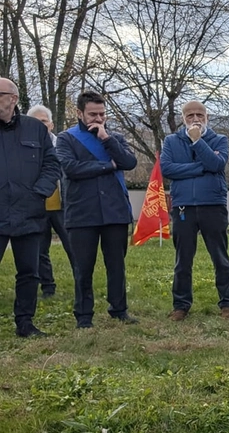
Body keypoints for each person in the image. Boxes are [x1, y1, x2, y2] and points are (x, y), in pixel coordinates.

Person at [56, 91, 139, 328]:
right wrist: (107, 166)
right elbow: (71, 169)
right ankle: (83, 315)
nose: (98, 118)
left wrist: (106, 139)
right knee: (83, 267)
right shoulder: (66, 139)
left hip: (114, 211)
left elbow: (129, 162)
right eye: (93, 114)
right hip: (82, 212)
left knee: (116, 265)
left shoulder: (115, 137)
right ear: (80, 113)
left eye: (102, 114)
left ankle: (119, 309)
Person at [159, 100, 229, 320]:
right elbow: (167, 168)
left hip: (213, 205)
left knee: (220, 257)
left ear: (207, 117)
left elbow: (216, 165)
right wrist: (200, 167)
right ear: (183, 118)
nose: (195, 119)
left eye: (199, 115)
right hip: (184, 206)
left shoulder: (219, 139)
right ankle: (180, 305)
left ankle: (227, 303)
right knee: (183, 259)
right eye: (190, 115)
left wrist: (197, 141)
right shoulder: (171, 141)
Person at [0, 79, 61, 337]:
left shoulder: (35, 129)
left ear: (12, 99)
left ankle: (25, 323)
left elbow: (52, 165)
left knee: (29, 272)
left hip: (29, 211)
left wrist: (39, 193)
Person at [27, 105, 75, 301]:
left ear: (52, 124)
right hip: (37, 206)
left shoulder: (63, 145)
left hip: (63, 206)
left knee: (73, 247)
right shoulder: (26, 147)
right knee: (40, 250)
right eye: (36, 122)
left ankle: (82, 284)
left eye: (44, 121)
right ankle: (47, 287)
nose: (40, 125)